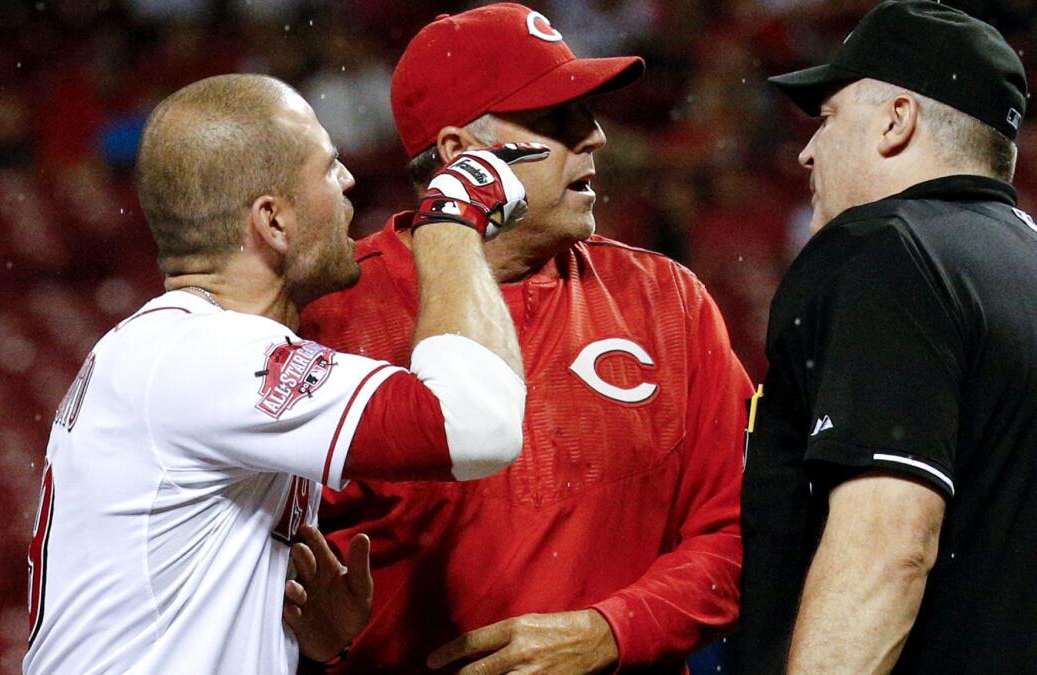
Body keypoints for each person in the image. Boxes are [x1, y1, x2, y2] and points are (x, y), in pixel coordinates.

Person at [23, 73, 538, 674]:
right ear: (273, 222)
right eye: (329, 165)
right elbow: (479, 428)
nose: (348, 180)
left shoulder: (171, 347)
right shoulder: (207, 354)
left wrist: (307, 643)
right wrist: (453, 224)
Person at [298, 4, 754, 673]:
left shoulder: (666, 300)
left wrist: (613, 630)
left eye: (589, 112)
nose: (596, 137)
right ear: (460, 155)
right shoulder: (329, 319)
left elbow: (742, 530)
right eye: (557, 118)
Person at [738, 2, 1037, 673]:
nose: (807, 150)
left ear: (896, 120)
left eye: (827, 118)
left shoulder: (883, 250)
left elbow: (888, 547)